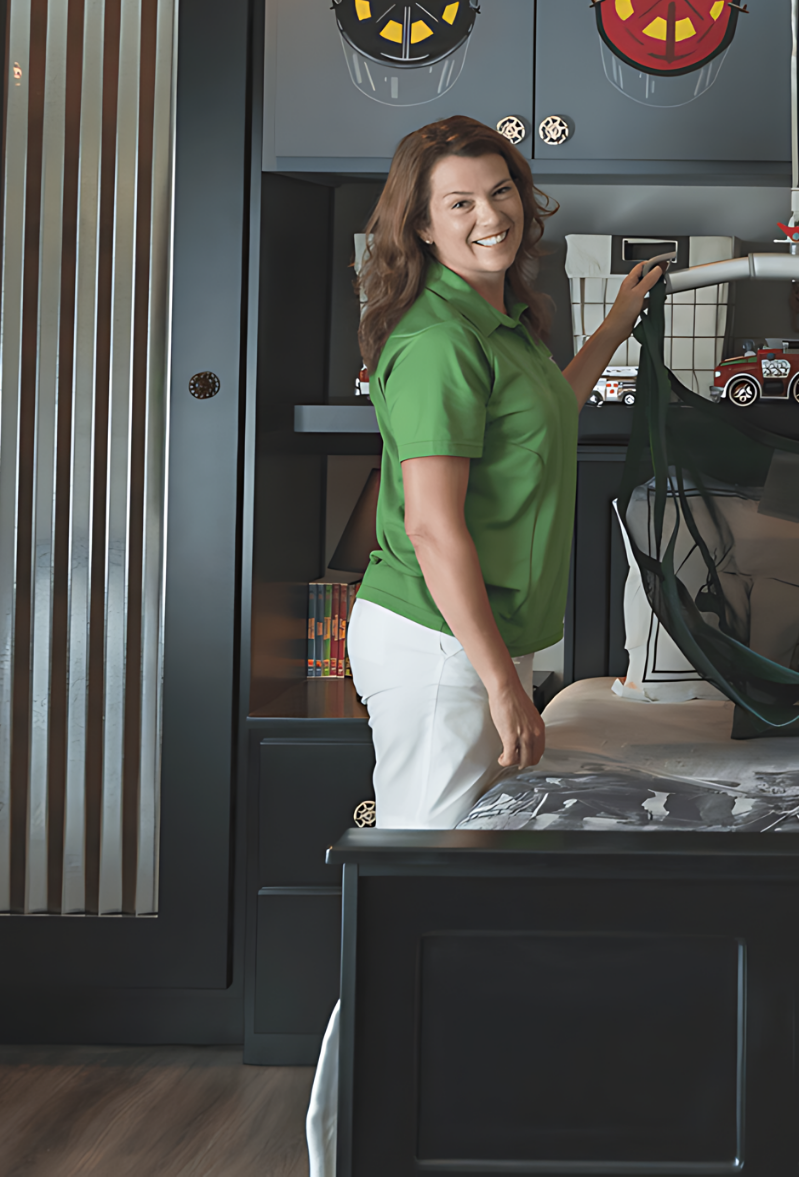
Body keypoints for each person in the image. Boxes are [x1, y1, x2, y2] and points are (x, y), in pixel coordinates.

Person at [305, 116, 663, 1176]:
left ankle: (445, 1109)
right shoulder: (435, 341)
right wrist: (507, 685)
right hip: (438, 647)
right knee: (423, 883)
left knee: (455, 881)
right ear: (419, 223)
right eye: (458, 201)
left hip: (469, 643)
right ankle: (355, 1134)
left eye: (500, 191)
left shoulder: (503, 327)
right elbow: (432, 525)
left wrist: (617, 323)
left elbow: (550, 401)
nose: (488, 214)